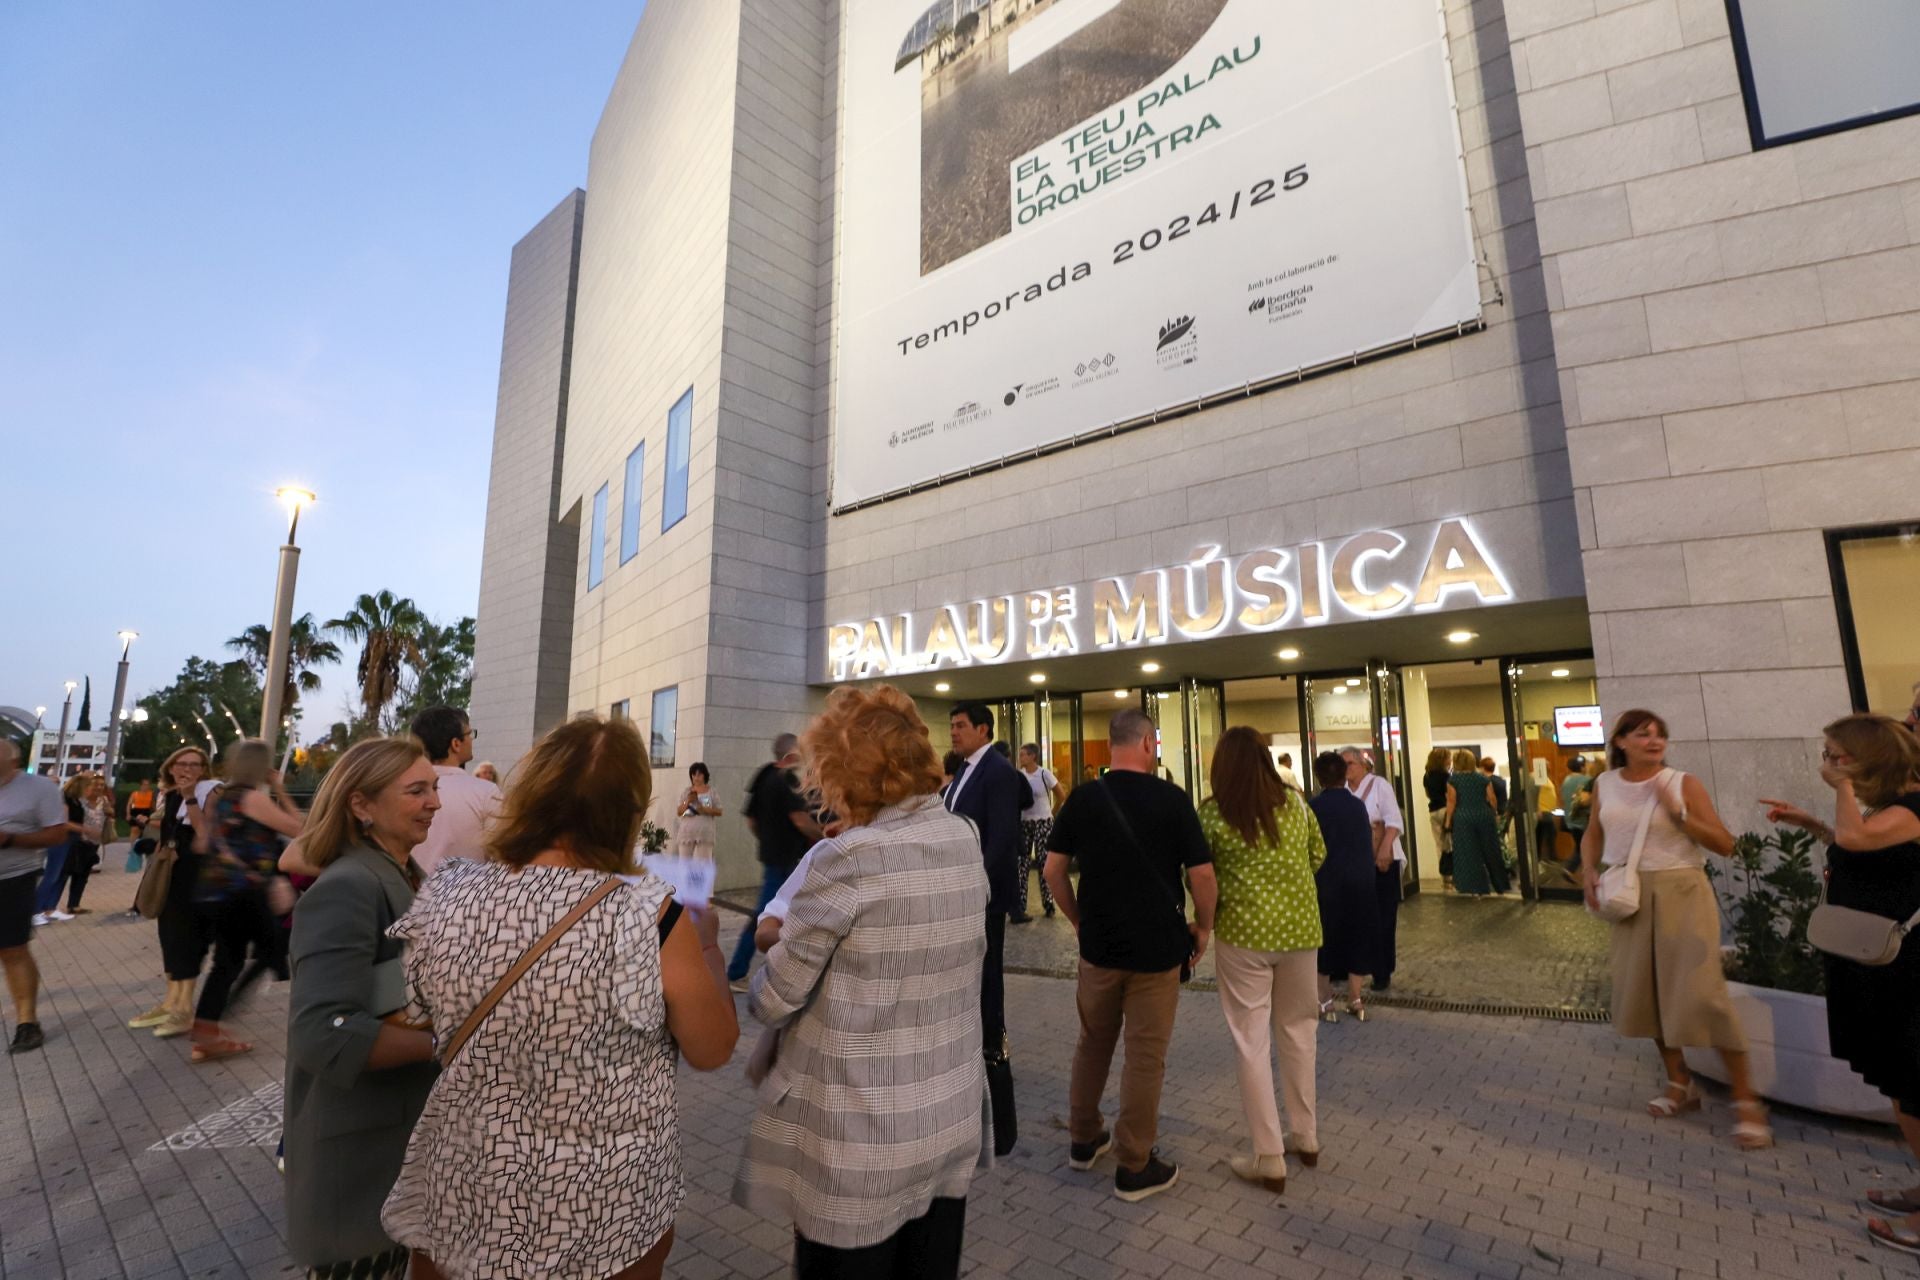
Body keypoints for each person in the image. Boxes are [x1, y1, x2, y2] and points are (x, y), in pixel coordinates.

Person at [384, 716, 738, 1280]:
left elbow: (416, 1014)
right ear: (627, 811)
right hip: (609, 1201)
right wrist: (712, 949)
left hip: (465, 1176)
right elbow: (713, 1045)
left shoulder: (446, 890)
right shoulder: (649, 912)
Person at [734, 685, 989, 1276]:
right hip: (945, 1123)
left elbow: (772, 1002)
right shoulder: (962, 836)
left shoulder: (846, 858)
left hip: (857, 1145)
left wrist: (776, 936)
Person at [282, 737, 442, 1279]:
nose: (434, 803)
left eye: (434, 788)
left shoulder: (404, 874)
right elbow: (322, 1033)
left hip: (399, 1157)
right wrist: (449, 1043)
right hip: (362, 1170)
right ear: (361, 805)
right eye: (416, 790)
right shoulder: (350, 885)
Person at [1761, 715, 1920, 1254]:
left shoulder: (1915, 806)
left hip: (1904, 966)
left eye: (1835, 755)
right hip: (1876, 963)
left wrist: (1843, 792)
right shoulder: (1896, 805)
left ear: (1864, 757)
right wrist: (1811, 823)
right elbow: (1858, 847)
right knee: (1904, 1088)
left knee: (1914, 1089)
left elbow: (1857, 837)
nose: (1827, 764)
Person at [1044, 708, 1216, 1202]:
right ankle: (1134, 1164)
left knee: (1092, 1042)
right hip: (1157, 952)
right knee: (1145, 1057)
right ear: (1146, 743)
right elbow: (1202, 876)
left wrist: (1078, 921)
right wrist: (1204, 928)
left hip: (1099, 949)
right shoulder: (1171, 799)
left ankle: (1082, 1139)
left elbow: (1055, 871)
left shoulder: (1083, 798)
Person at [1580, 709, 1769, 1150]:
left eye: (1660, 734)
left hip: (1682, 891)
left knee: (1703, 995)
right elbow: (1593, 832)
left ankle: (1747, 1101)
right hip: (1630, 895)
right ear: (1620, 741)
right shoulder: (1605, 783)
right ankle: (1680, 1085)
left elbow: (1725, 843)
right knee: (1646, 994)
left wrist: (1680, 814)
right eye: (1642, 733)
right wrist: (1588, 868)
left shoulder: (1682, 782)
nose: (1654, 740)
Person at [1198, 728, 1325, 1193]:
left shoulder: (1212, 814)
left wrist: (1202, 922)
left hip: (1244, 936)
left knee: (1251, 1040)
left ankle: (1269, 1156)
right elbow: (1318, 855)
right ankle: (1306, 1137)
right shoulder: (1295, 805)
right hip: (1301, 932)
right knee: (1300, 1032)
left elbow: (1201, 874)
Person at [190, 740, 304, 1064]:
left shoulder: (221, 798)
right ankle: (213, 1022)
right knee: (272, 948)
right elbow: (302, 830)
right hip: (244, 893)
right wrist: (280, 791)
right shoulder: (252, 798)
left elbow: (202, 843)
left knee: (228, 960)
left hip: (213, 890)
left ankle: (207, 1029)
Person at [946, 703, 1029, 1074]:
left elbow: (1002, 836)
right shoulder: (964, 768)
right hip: (960, 888)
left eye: (961, 725)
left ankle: (992, 1042)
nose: (953, 732)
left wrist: (975, 880)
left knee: (988, 968)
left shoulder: (997, 771)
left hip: (985, 891)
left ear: (984, 730)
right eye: (951, 726)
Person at [128, 746, 219, 1040]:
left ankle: (184, 1007)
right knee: (169, 934)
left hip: (196, 874)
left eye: (195, 765)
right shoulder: (169, 797)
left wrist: (191, 795)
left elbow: (205, 834)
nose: (187, 770)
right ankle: (170, 1001)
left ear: (204, 770)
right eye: (181, 764)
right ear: (170, 768)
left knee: (187, 936)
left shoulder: (211, 792)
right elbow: (165, 834)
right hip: (171, 872)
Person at [729, 734, 821, 988]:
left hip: (772, 856)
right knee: (766, 915)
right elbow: (800, 820)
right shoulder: (787, 780)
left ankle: (766, 966)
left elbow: (751, 820)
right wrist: (826, 839)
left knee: (776, 913)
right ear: (791, 754)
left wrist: (766, 839)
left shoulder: (763, 776)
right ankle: (736, 972)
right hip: (784, 860)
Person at [0, 740, 67, 1054]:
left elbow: (57, 834)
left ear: (11, 759)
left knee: (12, 949)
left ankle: (27, 1022)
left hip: (14, 877)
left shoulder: (38, 788)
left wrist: (10, 838)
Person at [1317, 752, 1381, 1022]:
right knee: (1358, 938)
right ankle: (1356, 1000)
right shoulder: (1357, 806)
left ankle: (1326, 1002)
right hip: (1360, 881)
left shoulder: (1313, 807)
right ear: (1344, 775)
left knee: (1325, 941)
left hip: (1327, 883)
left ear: (1319, 777)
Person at [408, 707, 501, 879]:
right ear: (456, 744)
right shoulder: (486, 793)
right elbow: (501, 856)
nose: (472, 740)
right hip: (466, 899)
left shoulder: (398, 790)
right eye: (469, 734)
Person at [1342, 749, 1405, 989]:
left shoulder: (1380, 786)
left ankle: (1382, 971)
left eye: (1350, 763)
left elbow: (1393, 821)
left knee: (1383, 917)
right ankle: (1355, 969)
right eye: (1343, 764)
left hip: (1382, 860)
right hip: (1357, 861)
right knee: (1358, 917)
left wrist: (1384, 849)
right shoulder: (1344, 790)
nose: (1346, 768)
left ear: (1362, 765)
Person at [1445, 748, 1508, 896]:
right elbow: (1492, 799)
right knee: (1491, 850)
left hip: (1463, 818)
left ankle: (1475, 887)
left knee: (1469, 853)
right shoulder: (1483, 779)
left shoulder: (1453, 780)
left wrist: (1448, 821)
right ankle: (1500, 885)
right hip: (1483, 815)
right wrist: (1494, 813)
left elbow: (1452, 802)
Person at [1016, 743, 1062, 919]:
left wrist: (1051, 813)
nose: (1021, 758)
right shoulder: (1019, 776)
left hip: (1043, 822)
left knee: (1044, 862)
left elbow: (1061, 794)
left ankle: (1048, 903)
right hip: (1024, 822)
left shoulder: (1044, 774)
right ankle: (1020, 904)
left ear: (1032, 756)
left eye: (1023, 755)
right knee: (1023, 863)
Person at [58, 774, 112, 916]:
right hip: (79, 840)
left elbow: (110, 814)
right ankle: (50, 906)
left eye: (101, 785)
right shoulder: (80, 800)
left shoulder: (103, 800)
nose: (99, 788)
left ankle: (74, 904)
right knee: (68, 871)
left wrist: (109, 810)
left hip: (95, 841)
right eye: (95, 785)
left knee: (83, 874)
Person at [674, 761, 722, 860]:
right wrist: (687, 801)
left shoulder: (712, 792)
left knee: (702, 865)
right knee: (684, 864)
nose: (696, 777)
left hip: (704, 832)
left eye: (699, 774)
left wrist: (703, 808)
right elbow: (679, 811)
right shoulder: (686, 792)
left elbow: (719, 811)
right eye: (694, 774)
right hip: (687, 832)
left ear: (704, 776)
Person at [1420, 747, 1452, 892]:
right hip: (1446, 810)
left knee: (1439, 845)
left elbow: (1428, 794)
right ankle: (1452, 876)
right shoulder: (1445, 775)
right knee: (1450, 843)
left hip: (1433, 811)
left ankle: (1444, 878)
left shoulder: (1427, 776)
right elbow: (1450, 796)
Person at [1558, 755, 1595, 876]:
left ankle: (1576, 871)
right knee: (1584, 849)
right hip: (1584, 821)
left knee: (1580, 847)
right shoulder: (1588, 780)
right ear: (1582, 767)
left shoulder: (1566, 781)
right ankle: (1570, 869)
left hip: (1570, 821)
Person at [127, 777, 157, 844]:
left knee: (144, 830)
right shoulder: (135, 793)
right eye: (144, 784)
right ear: (141, 785)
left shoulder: (151, 794)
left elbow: (153, 805)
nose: (146, 786)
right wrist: (128, 814)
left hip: (146, 812)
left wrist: (156, 813)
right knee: (134, 829)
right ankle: (132, 846)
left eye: (148, 785)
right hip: (135, 812)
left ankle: (140, 845)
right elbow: (129, 804)